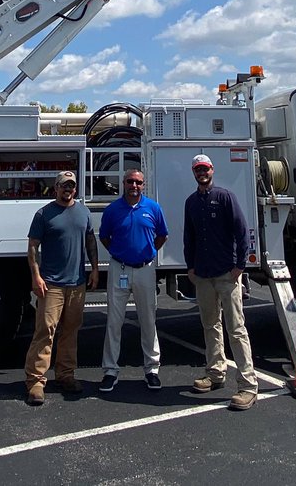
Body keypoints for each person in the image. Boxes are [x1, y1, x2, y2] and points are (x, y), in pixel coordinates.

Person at [183, 153, 258, 411]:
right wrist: (190, 267)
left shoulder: (225, 197)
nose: (201, 172)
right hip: (202, 275)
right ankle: (215, 373)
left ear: (212, 170)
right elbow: (189, 237)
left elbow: (241, 231)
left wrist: (240, 266)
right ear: (193, 172)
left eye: (205, 168)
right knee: (210, 325)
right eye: (197, 169)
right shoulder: (191, 202)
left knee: (236, 328)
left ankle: (248, 385)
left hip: (227, 273)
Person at [23, 170, 98, 406]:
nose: (68, 189)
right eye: (64, 185)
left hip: (76, 284)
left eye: (71, 186)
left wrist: (94, 269)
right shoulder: (44, 214)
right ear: (55, 187)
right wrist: (36, 277)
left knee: (71, 331)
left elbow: (90, 241)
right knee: (45, 332)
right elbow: (33, 247)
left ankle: (66, 375)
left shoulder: (83, 212)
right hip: (51, 284)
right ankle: (36, 382)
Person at [99, 168, 168, 393]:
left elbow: (162, 236)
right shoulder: (112, 210)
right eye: (130, 182)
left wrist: (146, 253)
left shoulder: (153, 208)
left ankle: (152, 369)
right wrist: (121, 254)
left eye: (138, 182)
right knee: (114, 321)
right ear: (123, 183)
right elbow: (105, 237)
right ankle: (110, 370)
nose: (134, 186)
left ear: (143, 185)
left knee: (148, 320)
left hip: (145, 270)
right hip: (119, 268)